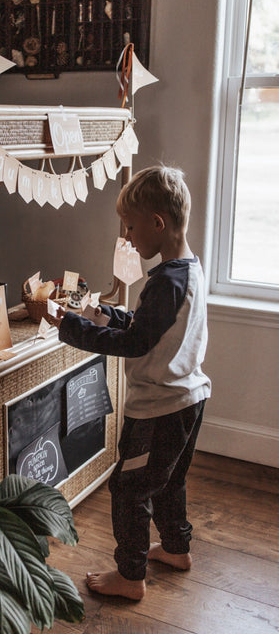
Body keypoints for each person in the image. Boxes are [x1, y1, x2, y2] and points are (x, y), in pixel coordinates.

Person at [51, 165, 211, 600]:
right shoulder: (186, 271)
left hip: (158, 408)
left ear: (157, 223)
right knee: (171, 479)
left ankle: (131, 575)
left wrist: (73, 329)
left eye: (131, 227)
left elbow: (137, 343)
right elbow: (150, 327)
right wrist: (104, 315)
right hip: (189, 398)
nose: (128, 236)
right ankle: (177, 548)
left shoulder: (165, 283)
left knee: (128, 488)